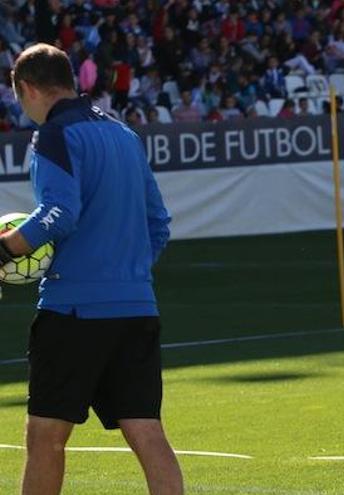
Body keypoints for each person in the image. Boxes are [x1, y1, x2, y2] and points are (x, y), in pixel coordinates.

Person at [0, 44, 180, 494]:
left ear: (26, 88)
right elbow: (158, 223)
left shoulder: (54, 134)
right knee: (146, 431)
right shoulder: (124, 135)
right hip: (136, 307)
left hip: (74, 311)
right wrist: (127, 271)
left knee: (46, 438)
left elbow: (60, 212)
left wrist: (5, 250)